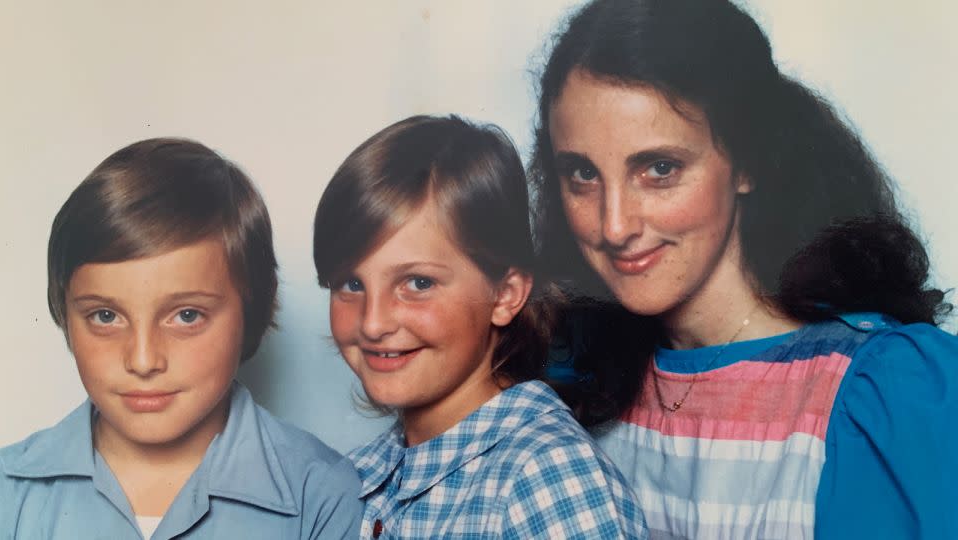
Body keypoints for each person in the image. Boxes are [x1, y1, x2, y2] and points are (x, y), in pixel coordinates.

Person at [529, 0, 958, 538]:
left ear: (748, 163)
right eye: (582, 175)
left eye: (659, 169)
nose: (614, 226)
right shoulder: (570, 387)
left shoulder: (883, 392)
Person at [0, 138, 362, 539]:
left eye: (186, 316)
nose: (142, 360)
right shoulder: (7, 491)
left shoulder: (324, 497)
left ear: (252, 309)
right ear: (64, 312)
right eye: (106, 316)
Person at [313, 115, 647, 539]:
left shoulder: (548, 476)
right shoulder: (358, 475)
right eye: (351, 284)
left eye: (418, 283)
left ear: (505, 294)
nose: (374, 322)